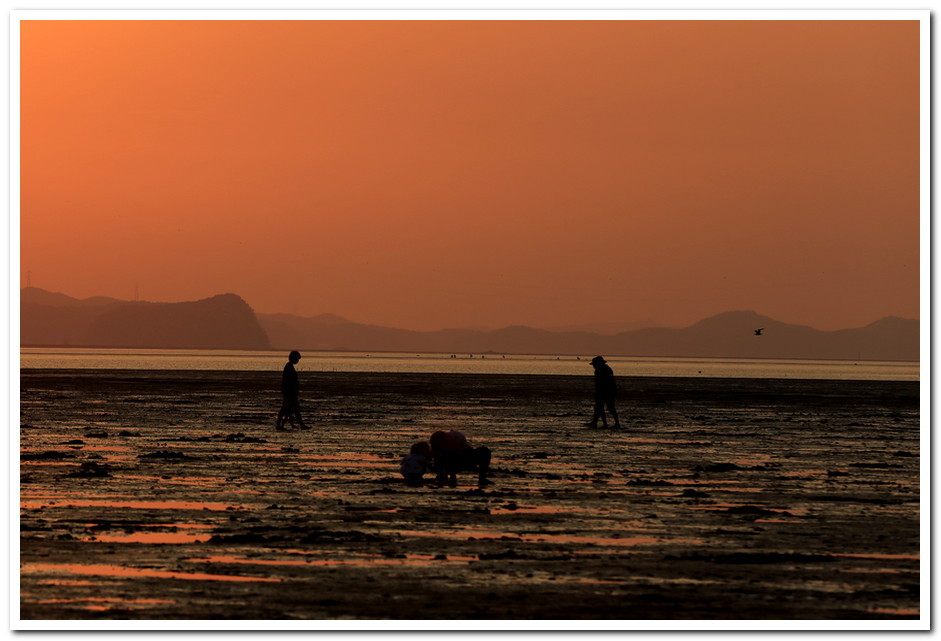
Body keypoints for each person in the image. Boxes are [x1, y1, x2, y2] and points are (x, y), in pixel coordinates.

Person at [276, 350, 309, 430]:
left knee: (289, 409)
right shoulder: (289, 367)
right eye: (297, 359)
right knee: (287, 409)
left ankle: (283, 425)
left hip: (290, 392)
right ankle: (280, 425)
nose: (298, 361)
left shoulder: (289, 366)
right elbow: (288, 381)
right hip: (290, 392)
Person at [587, 355, 621, 429]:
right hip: (605, 391)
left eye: (595, 364)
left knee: (609, 408)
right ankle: (597, 422)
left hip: (606, 392)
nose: (594, 366)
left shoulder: (604, 370)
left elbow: (605, 382)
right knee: (599, 407)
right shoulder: (603, 370)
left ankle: (614, 423)